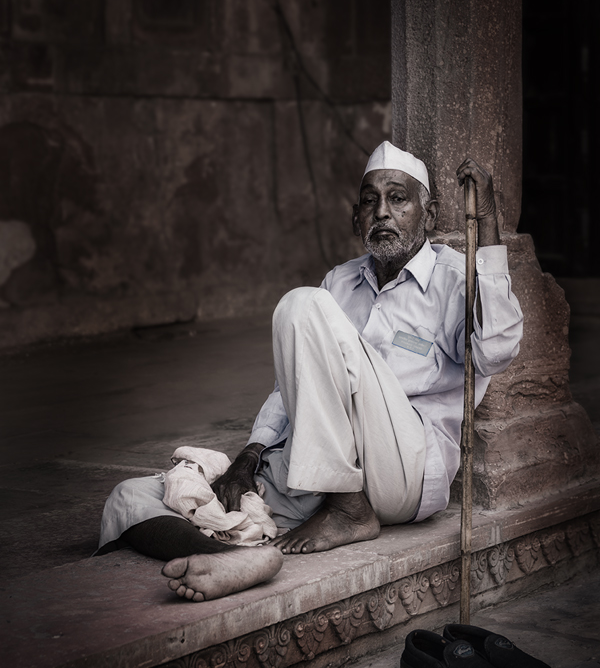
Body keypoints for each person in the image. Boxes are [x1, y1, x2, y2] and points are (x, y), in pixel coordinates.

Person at [96, 141, 523, 602]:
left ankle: (349, 511)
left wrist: (492, 234)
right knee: (131, 496)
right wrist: (251, 453)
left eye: (398, 199)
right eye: (369, 202)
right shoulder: (340, 281)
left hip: (402, 472)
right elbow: (292, 385)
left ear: (430, 214)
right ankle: (229, 558)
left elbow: (496, 353)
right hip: (323, 467)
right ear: (355, 217)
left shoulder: (455, 279)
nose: (381, 212)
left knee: (301, 304)